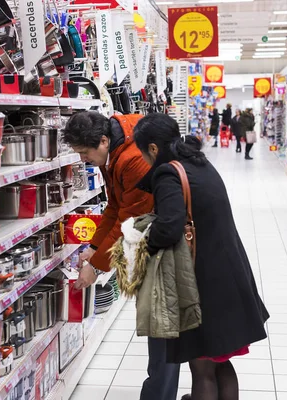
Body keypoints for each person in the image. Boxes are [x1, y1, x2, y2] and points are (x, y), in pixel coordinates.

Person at [133, 113, 269, 400]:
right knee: (220, 362)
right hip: (229, 273)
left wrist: (142, 244)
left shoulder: (169, 173)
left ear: (153, 149)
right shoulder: (198, 162)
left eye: (143, 152)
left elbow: (169, 228)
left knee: (203, 367)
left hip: (203, 281)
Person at [62, 111, 182, 400]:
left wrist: (97, 266)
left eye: (84, 153)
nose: (82, 160)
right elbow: (114, 207)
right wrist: (92, 247)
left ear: (103, 140)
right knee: (162, 330)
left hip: (164, 247)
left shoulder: (133, 159)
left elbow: (131, 221)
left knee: (162, 328)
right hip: (152, 241)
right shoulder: (114, 153)